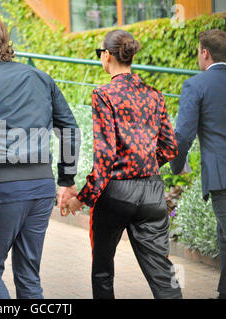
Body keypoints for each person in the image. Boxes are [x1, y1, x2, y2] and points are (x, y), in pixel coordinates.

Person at [0, 15, 80, 299]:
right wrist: (66, 180)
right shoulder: (41, 78)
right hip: (41, 188)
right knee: (29, 277)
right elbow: (70, 129)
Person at [66, 30, 182, 299]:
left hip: (116, 193)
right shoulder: (154, 95)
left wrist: (81, 199)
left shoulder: (103, 95)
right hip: (152, 191)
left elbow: (104, 160)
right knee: (163, 275)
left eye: (100, 53)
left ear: (107, 55)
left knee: (103, 272)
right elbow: (170, 147)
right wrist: (144, 162)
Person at [170, 29, 226, 299]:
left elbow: (182, 134)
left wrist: (177, 165)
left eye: (198, 51)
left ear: (205, 53)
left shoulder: (196, 85)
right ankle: (225, 293)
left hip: (224, 176)